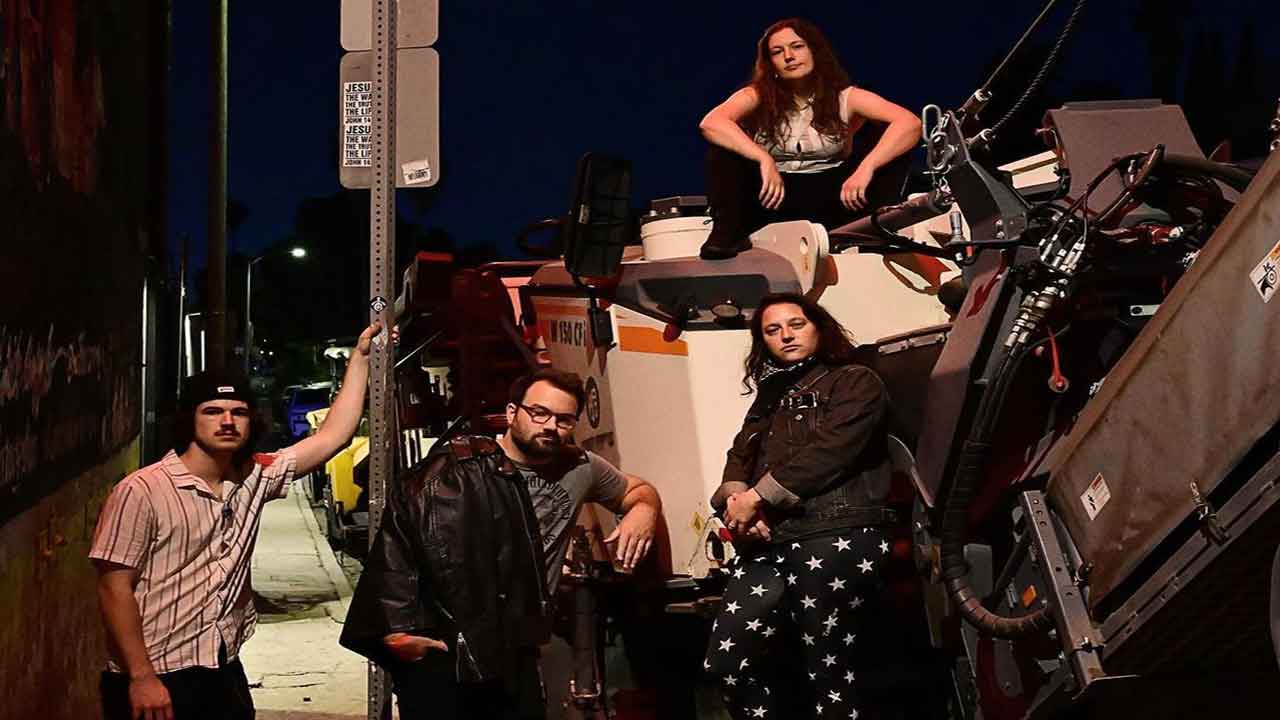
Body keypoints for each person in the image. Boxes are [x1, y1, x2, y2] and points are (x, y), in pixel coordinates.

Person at [90, 323, 386, 720]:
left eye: (239, 412)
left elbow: (333, 437)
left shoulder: (254, 477)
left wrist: (361, 359)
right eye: (212, 411)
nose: (227, 421)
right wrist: (141, 677)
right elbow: (114, 588)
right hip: (155, 675)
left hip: (222, 669)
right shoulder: (142, 490)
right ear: (190, 420)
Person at [340, 368, 662, 720]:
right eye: (539, 413)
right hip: (452, 648)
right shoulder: (458, 470)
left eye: (564, 419)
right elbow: (399, 545)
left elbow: (636, 489)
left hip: (517, 648)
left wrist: (644, 511)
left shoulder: (580, 467)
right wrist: (398, 633)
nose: (550, 426)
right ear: (512, 413)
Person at [704, 293, 897, 719]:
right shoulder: (769, 396)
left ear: (819, 327)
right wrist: (736, 502)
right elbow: (738, 456)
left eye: (796, 324)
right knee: (727, 663)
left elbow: (832, 451)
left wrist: (757, 498)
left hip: (835, 532)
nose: (786, 335)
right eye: (772, 330)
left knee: (830, 674)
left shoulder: (854, 380)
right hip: (769, 541)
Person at [698, 17, 922, 260]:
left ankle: (876, 233)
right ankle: (725, 235)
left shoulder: (847, 97)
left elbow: (910, 123)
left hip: (834, 197)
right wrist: (763, 158)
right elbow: (711, 123)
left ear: (814, 51)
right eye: (777, 52)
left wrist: (866, 168)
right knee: (723, 150)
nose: (789, 56)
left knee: (892, 148)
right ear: (771, 63)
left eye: (797, 46)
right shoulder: (756, 95)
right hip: (773, 197)